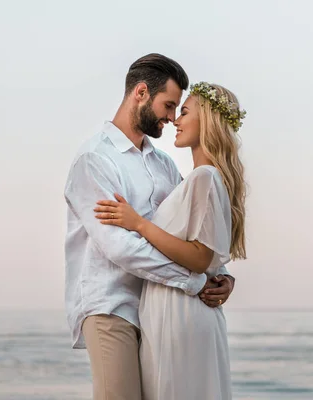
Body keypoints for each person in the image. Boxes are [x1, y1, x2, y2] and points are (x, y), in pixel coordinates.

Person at [63, 54, 236, 400]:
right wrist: (194, 280)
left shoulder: (164, 165)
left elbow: (189, 230)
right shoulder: (95, 160)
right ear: (141, 93)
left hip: (159, 309)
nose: (172, 118)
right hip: (112, 306)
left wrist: (222, 274)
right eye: (169, 105)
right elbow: (120, 248)